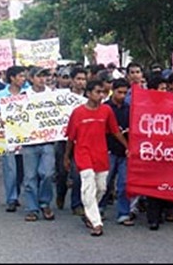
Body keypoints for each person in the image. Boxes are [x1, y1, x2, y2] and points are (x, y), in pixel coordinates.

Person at [64, 80, 129, 236]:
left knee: (102, 188)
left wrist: (128, 146)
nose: (101, 96)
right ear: (88, 93)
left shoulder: (106, 111)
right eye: (98, 92)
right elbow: (71, 138)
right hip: (83, 154)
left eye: (103, 93)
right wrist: (66, 157)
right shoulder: (78, 113)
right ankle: (96, 222)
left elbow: (115, 131)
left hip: (100, 154)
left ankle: (89, 212)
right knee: (88, 186)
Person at [20, 66, 57, 222]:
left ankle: (44, 202)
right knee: (30, 176)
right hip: (29, 141)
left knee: (47, 173)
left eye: (44, 76)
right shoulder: (24, 96)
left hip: (47, 140)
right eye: (39, 76)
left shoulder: (53, 95)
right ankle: (32, 208)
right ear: (31, 78)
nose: (42, 79)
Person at [99, 78, 133, 226]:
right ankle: (99, 208)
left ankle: (124, 213)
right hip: (108, 149)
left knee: (124, 184)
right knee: (105, 183)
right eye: (119, 92)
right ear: (113, 90)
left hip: (124, 151)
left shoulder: (129, 108)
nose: (122, 96)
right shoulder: (105, 108)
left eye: (125, 93)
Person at [0, 66, 26, 213]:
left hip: (25, 135)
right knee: (10, 168)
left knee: (22, 169)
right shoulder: (1, 95)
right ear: (12, 78)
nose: (23, 79)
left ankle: (16, 191)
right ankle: (11, 198)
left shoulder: (28, 93)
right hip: (7, 136)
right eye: (20, 76)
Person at [55, 67, 86, 216]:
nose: (81, 82)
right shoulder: (61, 97)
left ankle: (76, 204)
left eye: (83, 79)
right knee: (62, 172)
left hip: (81, 141)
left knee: (78, 173)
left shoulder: (89, 98)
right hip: (63, 139)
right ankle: (60, 194)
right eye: (78, 79)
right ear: (72, 81)